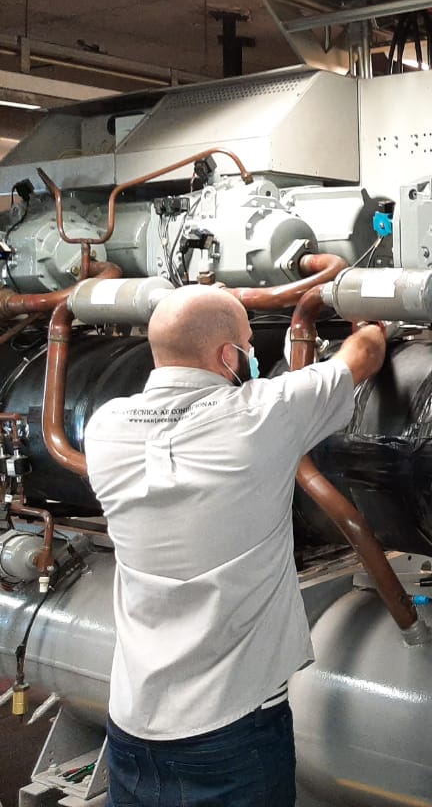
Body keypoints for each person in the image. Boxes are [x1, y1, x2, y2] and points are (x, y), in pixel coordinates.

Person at [83, 285, 386, 807]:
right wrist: (367, 302)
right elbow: (365, 353)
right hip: (233, 729)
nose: (251, 354)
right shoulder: (262, 415)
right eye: (248, 344)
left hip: (132, 723)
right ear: (229, 356)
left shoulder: (104, 427)